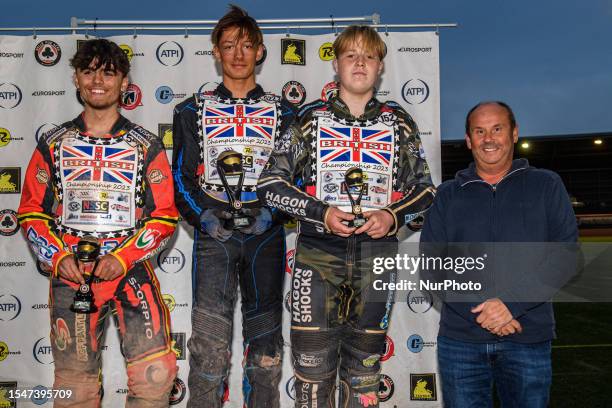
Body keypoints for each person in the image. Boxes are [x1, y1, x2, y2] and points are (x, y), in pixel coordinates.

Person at [257, 25, 435, 408]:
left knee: (365, 374)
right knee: (312, 373)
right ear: (336, 64)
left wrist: (392, 215)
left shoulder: (398, 121)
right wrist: (322, 213)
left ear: (380, 66)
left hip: (377, 258)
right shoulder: (307, 119)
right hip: (318, 259)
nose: (360, 63)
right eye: (351, 55)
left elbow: (426, 190)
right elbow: (270, 183)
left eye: (368, 56)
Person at [17, 39, 178, 407]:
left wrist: (122, 258)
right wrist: (59, 259)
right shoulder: (54, 143)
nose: (98, 80)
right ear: (75, 78)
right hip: (72, 274)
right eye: (88, 71)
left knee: (157, 375)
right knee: (75, 387)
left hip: (129, 270)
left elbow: (165, 217)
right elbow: (31, 213)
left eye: (109, 71)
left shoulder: (146, 145)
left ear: (124, 83)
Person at [171, 5, 295, 407]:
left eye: (246, 46)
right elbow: (180, 177)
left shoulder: (287, 112)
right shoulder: (191, 109)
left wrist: (271, 213)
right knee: (208, 345)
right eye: (228, 46)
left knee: (266, 348)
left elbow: (295, 180)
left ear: (260, 51)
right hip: (215, 238)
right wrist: (204, 216)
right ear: (216, 52)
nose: (238, 54)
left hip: (266, 237)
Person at [420, 101, 578, 407]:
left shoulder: (546, 185)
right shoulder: (448, 194)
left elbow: (566, 255)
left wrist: (511, 306)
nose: (488, 138)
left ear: (514, 133)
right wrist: (487, 314)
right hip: (461, 342)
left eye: (497, 129)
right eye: (479, 131)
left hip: (528, 338)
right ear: (468, 140)